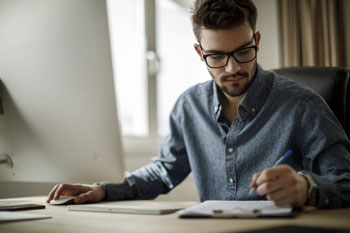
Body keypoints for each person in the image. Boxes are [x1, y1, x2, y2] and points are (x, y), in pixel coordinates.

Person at [47, 0, 350, 208]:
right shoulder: (188, 106)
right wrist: (103, 190)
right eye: (216, 56)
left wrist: (307, 188)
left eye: (243, 51)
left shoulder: (302, 105)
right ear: (199, 52)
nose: (232, 68)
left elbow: (345, 181)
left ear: (256, 41)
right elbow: (164, 172)